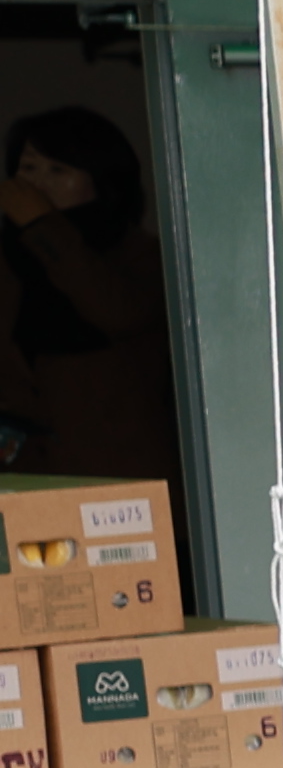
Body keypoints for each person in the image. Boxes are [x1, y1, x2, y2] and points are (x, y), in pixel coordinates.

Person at [0, 107, 181, 486]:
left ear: (101, 179)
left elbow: (116, 311)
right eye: (28, 168)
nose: (37, 184)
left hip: (122, 477)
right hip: (30, 475)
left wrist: (43, 226)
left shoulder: (141, 254)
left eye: (57, 170)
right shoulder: (10, 257)